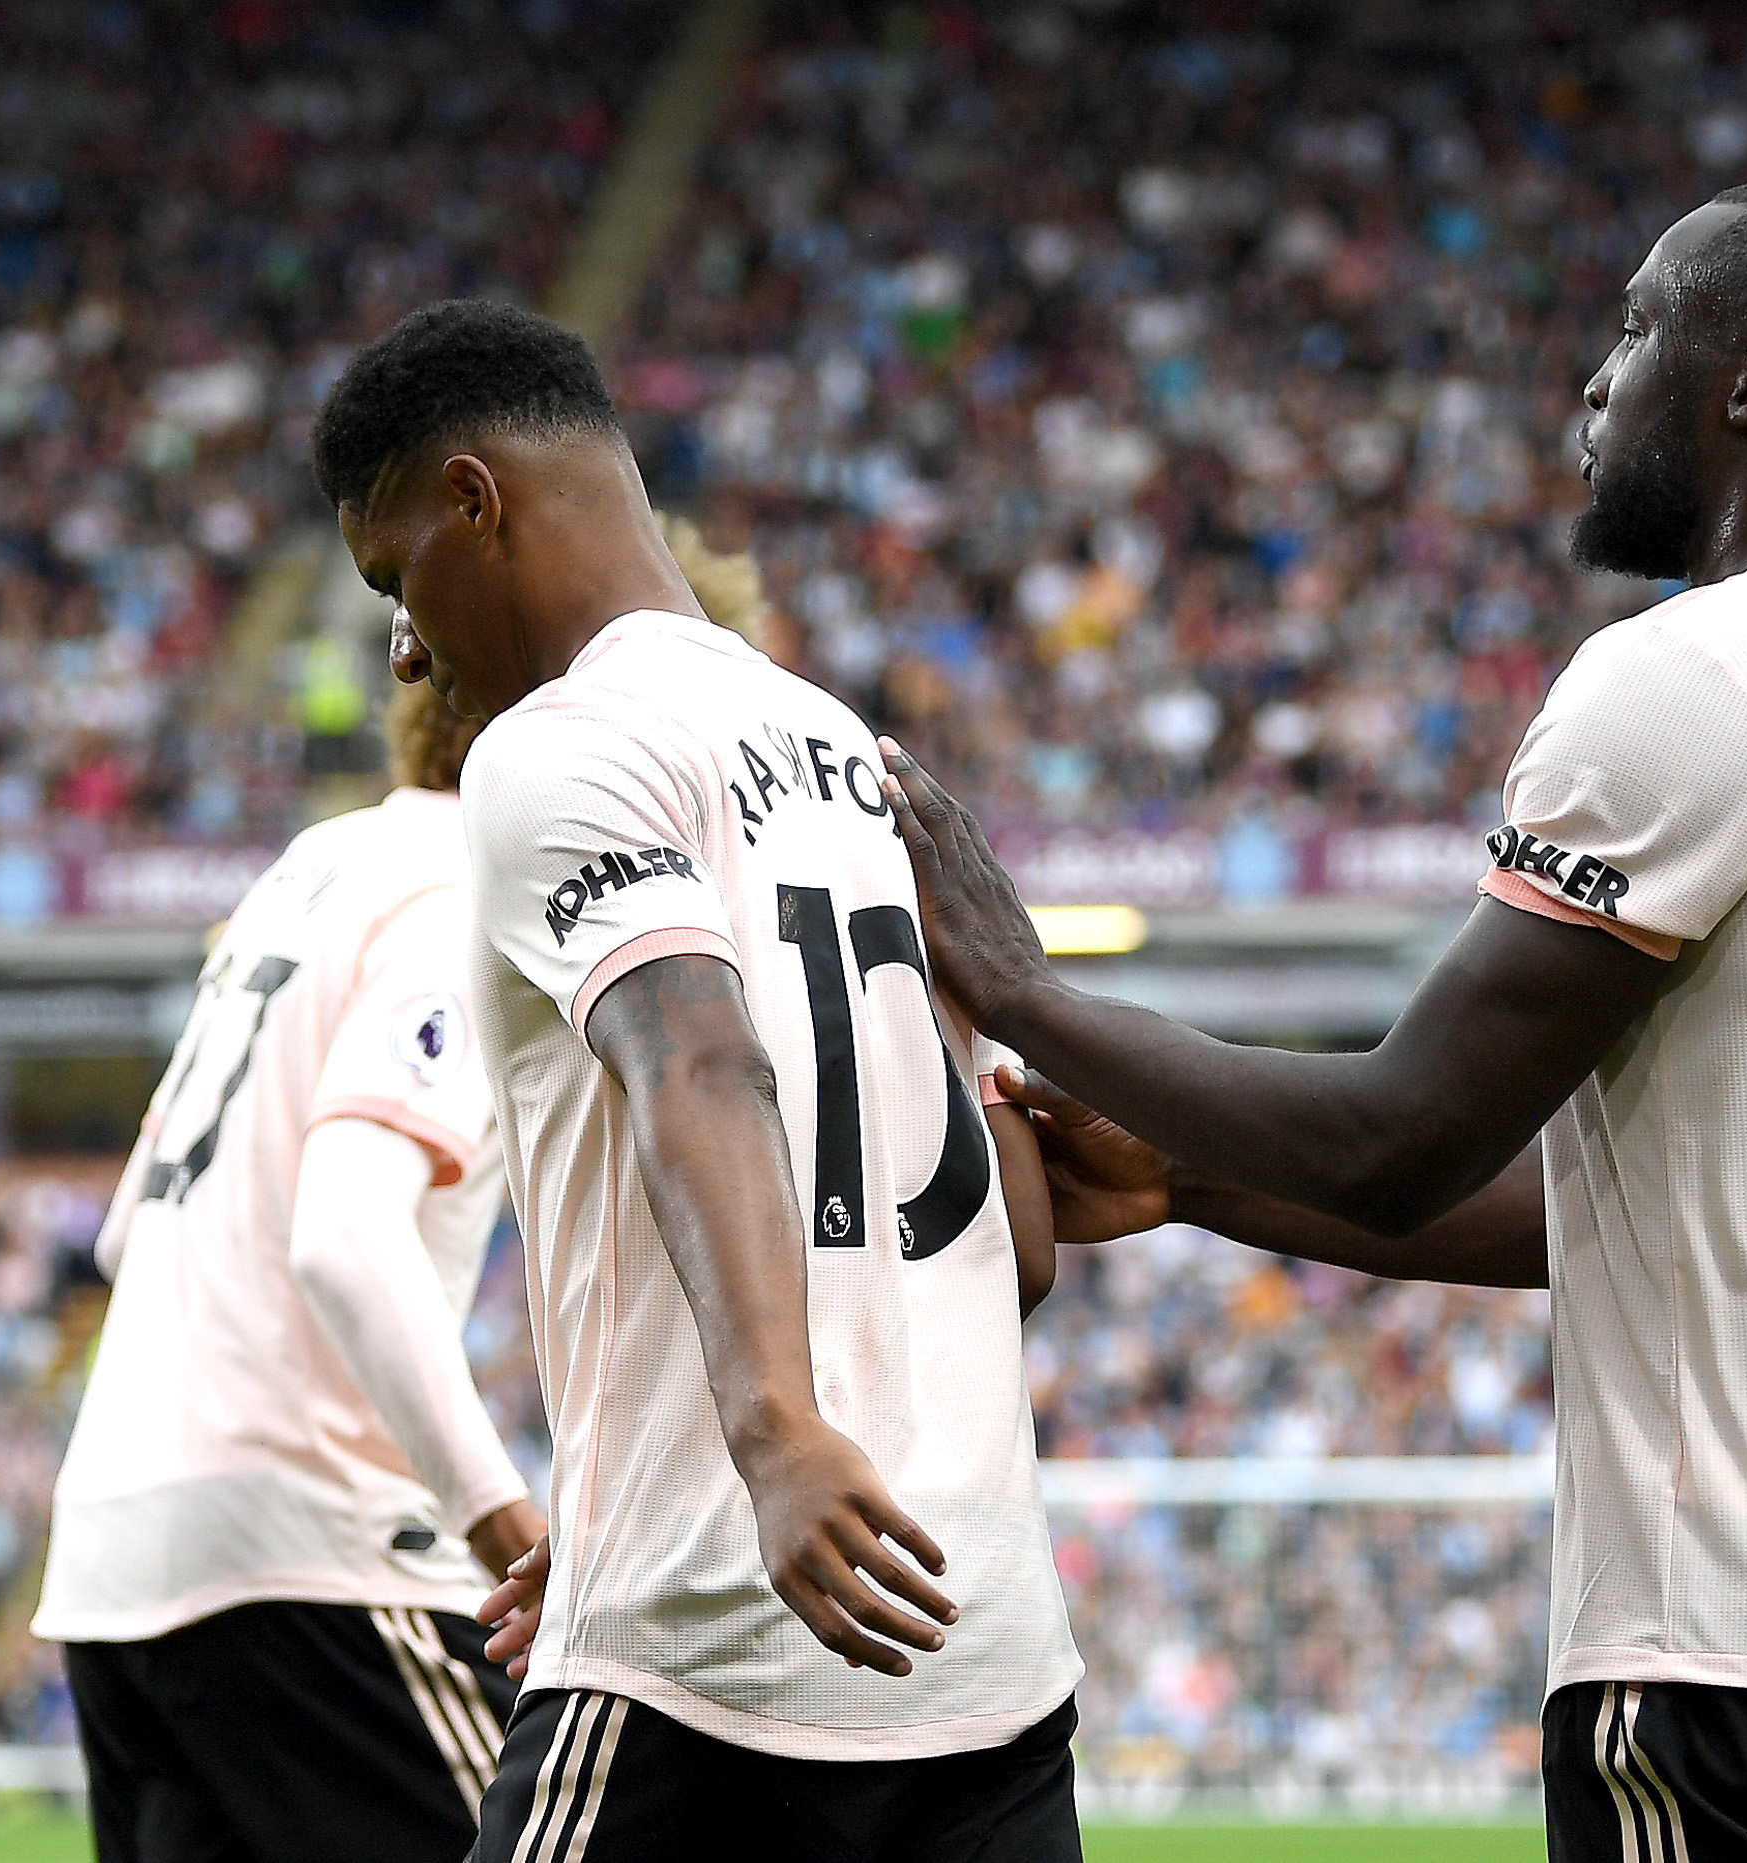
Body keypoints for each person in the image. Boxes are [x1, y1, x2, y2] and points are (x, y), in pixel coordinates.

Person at [883, 178, 1747, 1862]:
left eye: (1634, 327)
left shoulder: (1706, 672)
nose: (1593, 388)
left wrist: (1020, 988)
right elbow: (1625, 1211)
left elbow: (1400, 1134)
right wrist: (1189, 1179)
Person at [314, 298, 1079, 1862]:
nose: (402, 641)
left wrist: (774, 1433)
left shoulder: (556, 745)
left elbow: (696, 1050)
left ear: (475, 498)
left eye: (394, 577)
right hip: (980, 1654)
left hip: (710, 1648)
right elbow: (1022, 1238)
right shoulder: (867, 763)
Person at [34, 672, 548, 1863]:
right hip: (311, 1552)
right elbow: (343, 1235)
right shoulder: (469, 891)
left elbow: (124, 1234)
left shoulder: (309, 869)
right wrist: (509, 1532)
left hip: (119, 1552)